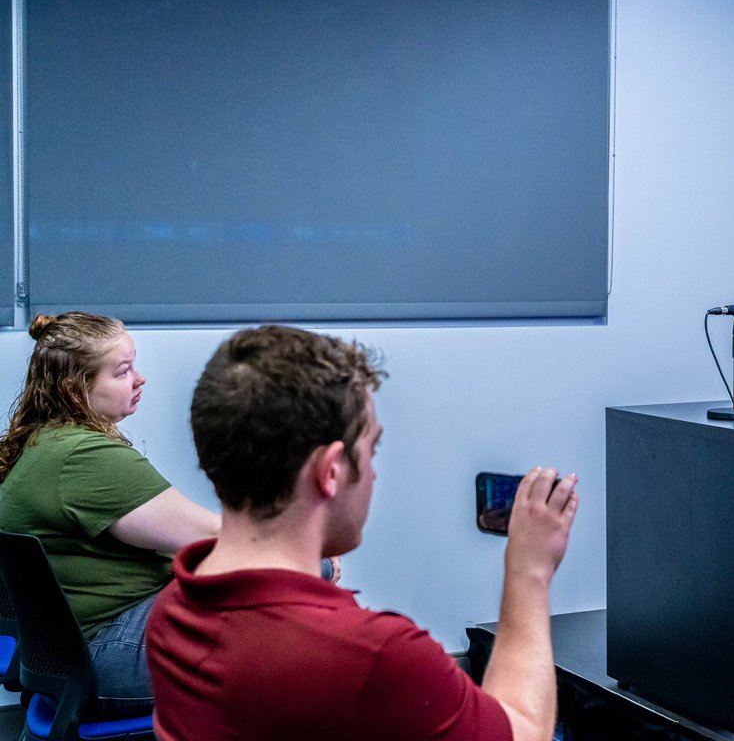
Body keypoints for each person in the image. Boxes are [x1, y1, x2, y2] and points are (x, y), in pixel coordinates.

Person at [146, 325, 579, 741]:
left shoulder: (172, 613)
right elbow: (523, 731)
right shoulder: (374, 656)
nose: (372, 472)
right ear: (331, 470)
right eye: (372, 449)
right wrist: (529, 571)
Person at [0, 312, 222, 718]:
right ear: (75, 388)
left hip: (76, 657)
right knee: (298, 573)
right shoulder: (83, 456)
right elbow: (215, 535)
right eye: (122, 372)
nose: (140, 379)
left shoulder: (43, 442)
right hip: (106, 658)